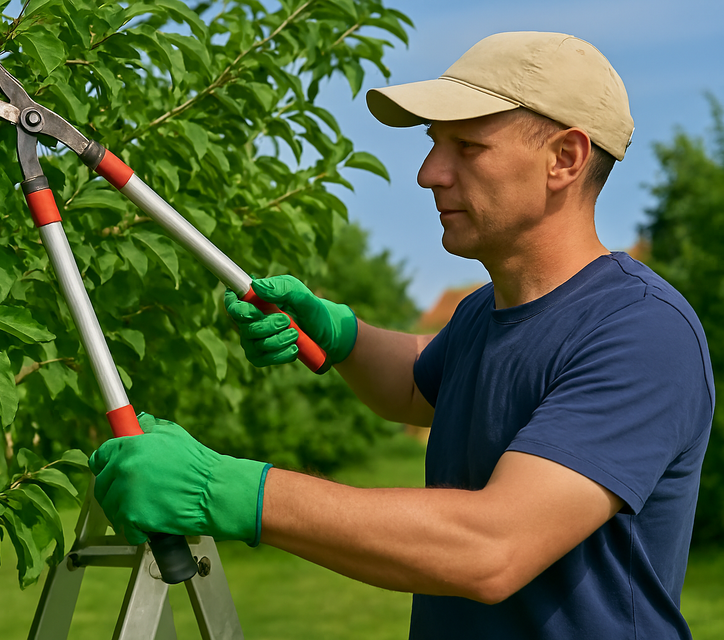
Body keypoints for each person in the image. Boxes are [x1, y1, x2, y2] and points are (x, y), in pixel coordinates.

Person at [89, 32, 714, 639]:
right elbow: (421, 388)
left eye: (466, 147)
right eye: (432, 144)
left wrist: (225, 490)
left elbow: (491, 547)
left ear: (565, 159)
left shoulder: (642, 332)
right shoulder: (480, 314)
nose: (428, 173)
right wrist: (342, 336)